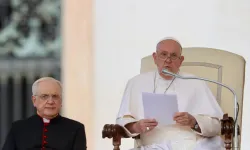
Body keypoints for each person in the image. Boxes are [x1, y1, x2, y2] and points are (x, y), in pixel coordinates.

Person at [116, 37, 225, 150]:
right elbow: (122, 121)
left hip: (191, 145)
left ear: (181, 60)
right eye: (163, 54)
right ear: (155, 57)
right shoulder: (136, 83)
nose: (168, 60)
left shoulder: (195, 82)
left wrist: (194, 122)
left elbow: (217, 125)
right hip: (152, 146)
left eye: (173, 56)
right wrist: (136, 126)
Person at [2, 77, 87, 150]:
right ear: (34, 100)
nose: (50, 101)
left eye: (55, 96)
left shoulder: (76, 129)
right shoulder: (18, 128)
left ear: (61, 101)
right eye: (44, 96)